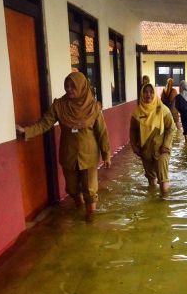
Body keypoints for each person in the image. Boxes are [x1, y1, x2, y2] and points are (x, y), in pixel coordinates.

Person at [16, 72, 111, 221]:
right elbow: (44, 123)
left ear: (82, 87)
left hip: (89, 155)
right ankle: (79, 207)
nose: (69, 89)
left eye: (73, 86)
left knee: (90, 191)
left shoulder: (93, 107)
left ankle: (91, 221)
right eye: (67, 86)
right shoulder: (60, 106)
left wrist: (106, 154)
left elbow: (102, 132)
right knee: (72, 189)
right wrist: (26, 131)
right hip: (69, 155)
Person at [130, 83, 176, 194]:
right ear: (141, 94)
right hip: (145, 151)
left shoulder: (163, 110)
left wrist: (166, 145)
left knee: (163, 181)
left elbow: (171, 128)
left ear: (154, 94)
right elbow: (133, 131)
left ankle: (164, 207)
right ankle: (152, 204)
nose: (148, 95)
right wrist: (135, 147)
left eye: (151, 92)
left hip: (161, 151)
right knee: (151, 181)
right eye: (145, 92)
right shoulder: (137, 112)